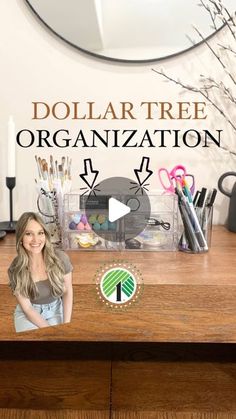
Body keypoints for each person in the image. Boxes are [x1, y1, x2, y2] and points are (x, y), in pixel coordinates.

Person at [8, 212, 73, 333]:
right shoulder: (15, 268)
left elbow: (68, 292)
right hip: (29, 314)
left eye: (40, 233)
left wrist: (66, 325)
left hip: (56, 310)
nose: (36, 240)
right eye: (28, 234)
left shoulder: (61, 259)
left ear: (45, 235)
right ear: (21, 238)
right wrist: (50, 331)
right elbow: (27, 308)